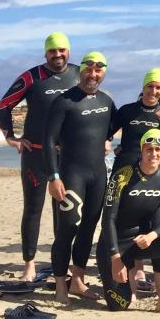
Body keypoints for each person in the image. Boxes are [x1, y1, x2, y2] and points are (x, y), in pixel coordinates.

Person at [0, 31, 79, 281]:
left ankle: (60, 266)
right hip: (35, 154)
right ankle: (29, 266)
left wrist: (103, 139)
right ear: (46, 53)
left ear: (68, 51)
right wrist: (10, 137)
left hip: (65, 157)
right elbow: (4, 105)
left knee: (63, 212)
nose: (58, 55)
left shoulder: (78, 75)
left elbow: (96, 106)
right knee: (32, 210)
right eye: (53, 51)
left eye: (62, 50)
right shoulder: (32, 77)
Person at [43, 50, 116, 304]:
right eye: (88, 70)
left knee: (88, 230)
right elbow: (49, 140)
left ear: (103, 73)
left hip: (98, 175)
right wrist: (53, 177)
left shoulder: (106, 102)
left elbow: (124, 125)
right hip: (71, 175)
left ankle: (78, 281)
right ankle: (61, 286)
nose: (92, 75)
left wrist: (158, 116)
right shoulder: (65, 101)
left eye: (98, 71)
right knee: (67, 229)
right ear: (80, 71)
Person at [96, 128, 160, 314]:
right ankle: (124, 278)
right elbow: (108, 220)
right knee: (118, 305)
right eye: (149, 149)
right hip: (116, 244)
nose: (154, 154)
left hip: (142, 242)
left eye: (158, 150)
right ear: (142, 150)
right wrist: (115, 258)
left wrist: (152, 236)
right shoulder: (122, 176)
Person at [111, 68, 160, 173]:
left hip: (151, 170)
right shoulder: (127, 110)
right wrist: (112, 145)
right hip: (124, 167)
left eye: (158, 87)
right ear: (143, 87)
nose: (153, 91)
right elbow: (106, 133)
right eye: (150, 86)